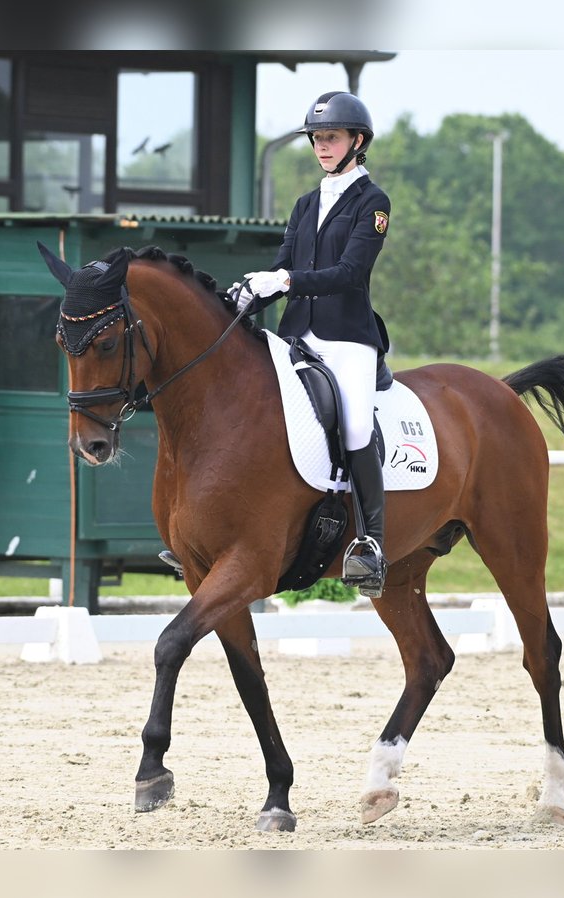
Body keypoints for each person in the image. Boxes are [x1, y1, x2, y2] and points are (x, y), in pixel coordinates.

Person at [234, 90, 392, 598]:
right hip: (296, 334)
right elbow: (283, 264)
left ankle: (372, 543)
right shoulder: (305, 204)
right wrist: (243, 297)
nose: (322, 146)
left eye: (331, 138)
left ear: (356, 141)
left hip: (347, 338)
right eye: (317, 138)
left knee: (354, 426)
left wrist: (285, 283)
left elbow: (350, 273)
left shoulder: (373, 202)